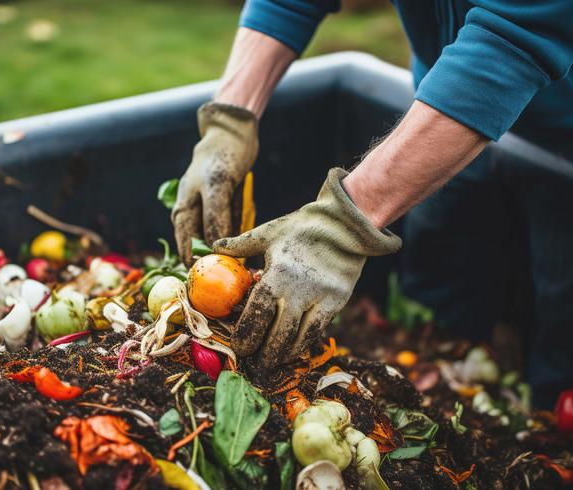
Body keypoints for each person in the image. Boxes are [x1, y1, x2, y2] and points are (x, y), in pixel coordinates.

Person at [170, 0, 573, 407]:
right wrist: (230, 119)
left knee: (562, 333)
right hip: (442, 115)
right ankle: (464, 402)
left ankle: (542, 435)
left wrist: (343, 223)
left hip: (559, 133)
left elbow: (516, 36)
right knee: (436, 297)